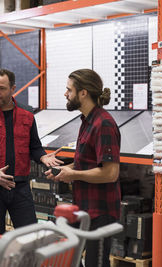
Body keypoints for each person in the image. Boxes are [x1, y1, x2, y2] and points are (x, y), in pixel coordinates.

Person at [0, 69, 63, 234]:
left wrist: (43, 157)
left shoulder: (27, 114)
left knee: (29, 236)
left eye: (2, 88)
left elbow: (35, 147)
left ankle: (25, 261)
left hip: (20, 187)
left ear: (13, 89)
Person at [46, 69, 121, 267]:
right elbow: (85, 163)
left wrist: (74, 174)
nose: (65, 94)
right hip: (83, 207)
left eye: (68, 89)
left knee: (95, 263)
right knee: (66, 255)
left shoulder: (103, 123)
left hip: (101, 211)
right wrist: (64, 172)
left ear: (83, 93)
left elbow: (110, 173)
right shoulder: (86, 121)